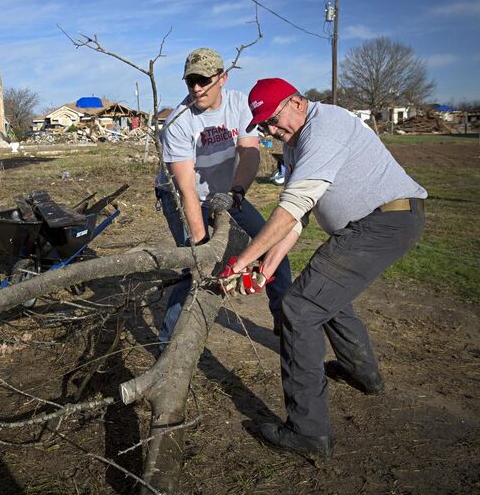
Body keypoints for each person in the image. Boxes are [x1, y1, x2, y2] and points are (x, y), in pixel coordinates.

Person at [221, 78, 427, 458]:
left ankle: (308, 433)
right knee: (321, 294)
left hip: (384, 222)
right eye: (262, 125)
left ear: (297, 101)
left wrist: (243, 260)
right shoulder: (297, 144)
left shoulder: (325, 126)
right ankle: (362, 373)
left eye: (272, 118)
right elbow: (298, 220)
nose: (269, 130)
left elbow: (293, 205)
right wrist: (266, 268)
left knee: (299, 308)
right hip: (377, 224)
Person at [154, 48, 293, 344]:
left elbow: (249, 152)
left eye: (203, 80)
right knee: (198, 263)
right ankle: (168, 343)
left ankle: (286, 323)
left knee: (274, 246)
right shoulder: (178, 122)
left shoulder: (240, 104)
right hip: (180, 196)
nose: (196, 88)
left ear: (223, 78)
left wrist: (237, 194)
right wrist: (203, 242)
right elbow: (186, 189)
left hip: (227, 192)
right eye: (190, 81)